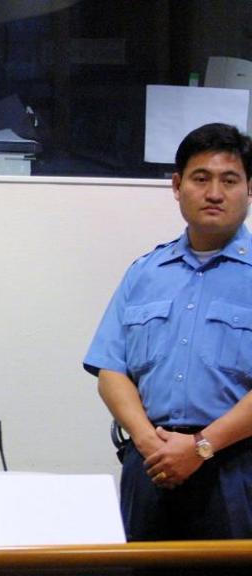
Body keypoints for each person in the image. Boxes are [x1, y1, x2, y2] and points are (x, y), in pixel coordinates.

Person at [84, 122, 252, 540]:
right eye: (201, 178)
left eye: (229, 180)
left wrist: (200, 447)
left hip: (237, 469)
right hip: (150, 465)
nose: (215, 193)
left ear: (249, 188)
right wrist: (147, 442)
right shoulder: (144, 273)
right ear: (177, 186)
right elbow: (111, 370)